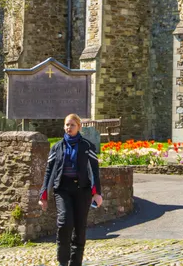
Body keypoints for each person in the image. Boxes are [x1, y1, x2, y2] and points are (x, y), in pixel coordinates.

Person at [39, 114, 103, 266]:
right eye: (67, 125)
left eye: (72, 125)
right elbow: (49, 171)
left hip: (82, 190)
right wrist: (43, 195)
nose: (69, 128)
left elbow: (94, 171)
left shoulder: (87, 146)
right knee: (64, 222)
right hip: (63, 189)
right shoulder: (57, 147)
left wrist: (97, 193)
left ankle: (75, 262)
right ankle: (63, 261)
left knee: (80, 227)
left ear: (79, 127)